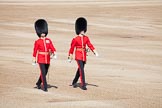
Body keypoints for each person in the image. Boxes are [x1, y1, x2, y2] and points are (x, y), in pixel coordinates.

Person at [68, 17, 99, 90]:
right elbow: (72, 48)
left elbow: (90, 45)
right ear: (79, 30)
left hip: (84, 56)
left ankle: (74, 81)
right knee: (82, 70)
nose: (83, 31)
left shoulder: (86, 38)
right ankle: (83, 84)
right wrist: (70, 57)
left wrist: (95, 51)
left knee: (79, 70)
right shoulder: (75, 39)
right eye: (82, 30)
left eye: (83, 29)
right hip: (78, 55)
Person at [32, 19, 57, 92]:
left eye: (44, 31)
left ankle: (38, 83)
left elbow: (52, 47)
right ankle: (45, 87)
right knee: (43, 72)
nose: (43, 33)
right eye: (41, 31)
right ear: (39, 32)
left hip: (47, 58)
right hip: (40, 59)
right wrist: (34, 58)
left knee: (45, 72)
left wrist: (54, 53)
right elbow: (35, 50)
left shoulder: (48, 40)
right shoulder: (37, 41)